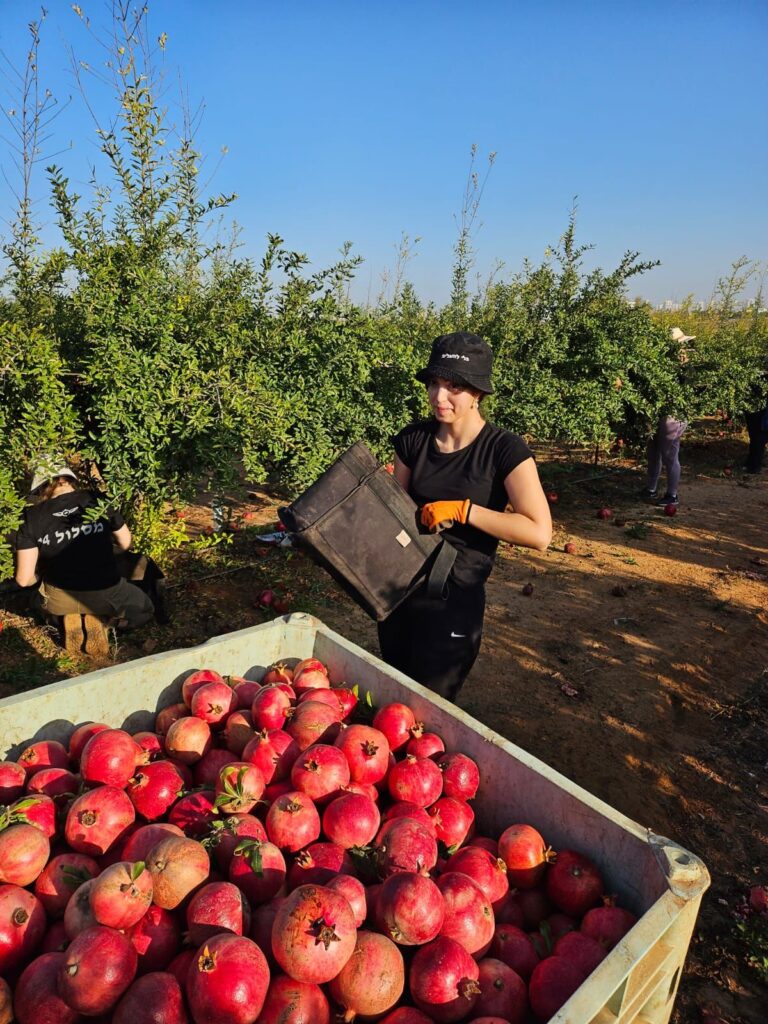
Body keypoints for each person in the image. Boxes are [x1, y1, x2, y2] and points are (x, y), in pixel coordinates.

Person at [377, 332, 552, 703]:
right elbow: (397, 516)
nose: (439, 397)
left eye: (454, 386)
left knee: (431, 707)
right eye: (434, 384)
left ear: (477, 393)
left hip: (455, 596)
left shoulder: (504, 450)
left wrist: (464, 510)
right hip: (402, 588)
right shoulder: (413, 441)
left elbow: (539, 532)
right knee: (395, 696)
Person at [14, 462, 154, 655]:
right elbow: (125, 543)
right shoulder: (97, 499)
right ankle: (107, 622)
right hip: (106, 591)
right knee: (145, 609)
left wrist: (38, 575)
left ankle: (62, 621)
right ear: (70, 479)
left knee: (38, 601)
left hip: (59, 598)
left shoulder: (30, 517)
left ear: (42, 488)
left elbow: (23, 579)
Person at [640, 326, 693, 506]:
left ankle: (672, 494)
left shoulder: (685, 368)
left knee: (670, 454)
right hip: (657, 412)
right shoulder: (662, 364)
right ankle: (651, 489)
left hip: (674, 414)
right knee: (653, 451)